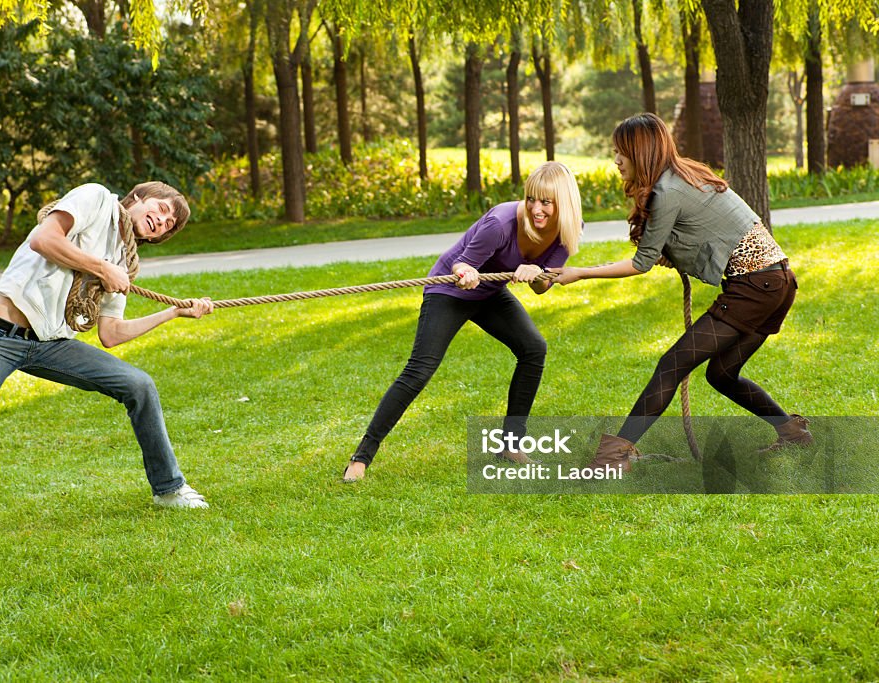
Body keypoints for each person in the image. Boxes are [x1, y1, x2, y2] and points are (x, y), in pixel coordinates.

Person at [0, 182, 213, 534]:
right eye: (162, 210)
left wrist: (172, 313)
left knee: (139, 385)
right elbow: (44, 240)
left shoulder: (122, 258)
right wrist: (102, 270)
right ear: (138, 198)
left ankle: (168, 489)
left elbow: (111, 333)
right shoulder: (95, 199)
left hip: (51, 343)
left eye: (170, 225)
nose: (163, 222)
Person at [550, 113, 812, 471]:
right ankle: (792, 432)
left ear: (640, 153)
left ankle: (613, 456)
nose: (616, 161)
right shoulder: (685, 175)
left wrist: (579, 273)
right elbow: (705, 231)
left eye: (621, 153)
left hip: (756, 286)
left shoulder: (667, 190)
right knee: (721, 374)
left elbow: (640, 263)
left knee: (672, 364)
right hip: (779, 282)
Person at [342, 162, 584, 482]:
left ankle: (511, 444)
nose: (536, 209)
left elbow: (543, 287)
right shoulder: (500, 223)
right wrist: (465, 273)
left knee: (533, 348)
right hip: (449, 292)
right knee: (420, 369)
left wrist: (536, 274)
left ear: (564, 203)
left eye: (546, 202)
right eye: (531, 199)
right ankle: (361, 457)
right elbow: (462, 264)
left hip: (490, 295)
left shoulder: (569, 229)